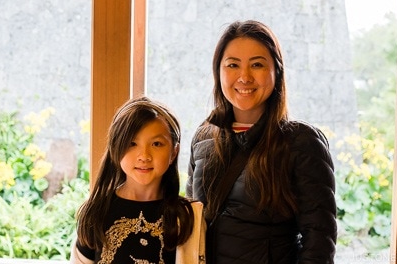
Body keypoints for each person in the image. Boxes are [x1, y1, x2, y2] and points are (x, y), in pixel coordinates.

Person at [186, 20, 337, 264]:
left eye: (257, 65)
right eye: (233, 65)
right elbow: (194, 222)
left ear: (277, 72)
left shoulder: (302, 142)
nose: (244, 77)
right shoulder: (203, 138)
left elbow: (319, 240)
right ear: (218, 72)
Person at [71, 96, 205, 264]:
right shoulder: (96, 213)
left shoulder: (187, 217)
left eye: (156, 144)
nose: (144, 156)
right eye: (132, 143)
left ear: (174, 152)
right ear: (116, 148)